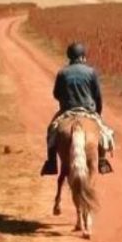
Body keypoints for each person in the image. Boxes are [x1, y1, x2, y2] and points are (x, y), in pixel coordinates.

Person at [41, 41, 115, 176]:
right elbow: (98, 96)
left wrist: (66, 99)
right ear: (82, 57)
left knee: (51, 130)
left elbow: (56, 94)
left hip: (67, 110)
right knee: (104, 132)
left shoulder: (62, 72)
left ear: (69, 57)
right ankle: (102, 161)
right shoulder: (91, 72)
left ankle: (51, 163)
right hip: (88, 110)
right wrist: (97, 112)